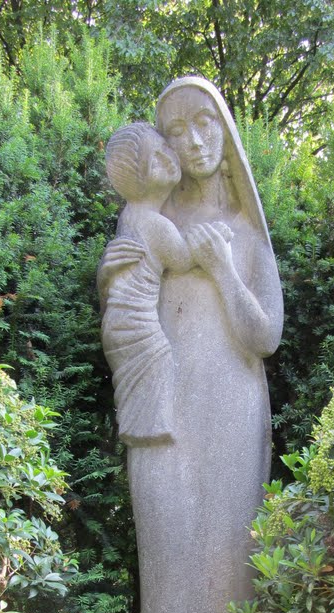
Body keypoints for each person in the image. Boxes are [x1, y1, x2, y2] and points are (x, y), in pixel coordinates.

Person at [102, 78, 283, 613]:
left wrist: (222, 270)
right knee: (170, 569)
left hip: (232, 416)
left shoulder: (242, 230)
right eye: (176, 130)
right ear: (163, 146)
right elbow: (126, 315)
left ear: (226, 132)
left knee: (222, 576)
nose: (195, 140)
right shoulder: (147, 223)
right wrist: (108, 277)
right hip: (164, 416)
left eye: (206, 123)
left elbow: (263, 334)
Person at [100, 122, 232, 447]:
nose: (170, 156)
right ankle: (150, 425)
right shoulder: (155, 224)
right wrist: (214, 240)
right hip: (136, 327)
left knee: (144, 373)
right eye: (157, 158)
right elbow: (185, 259)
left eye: (164, 148)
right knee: (157, 359)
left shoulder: (128, 218)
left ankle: (143, 423)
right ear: (140, 178)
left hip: (115, 325)